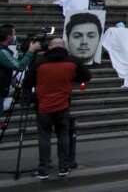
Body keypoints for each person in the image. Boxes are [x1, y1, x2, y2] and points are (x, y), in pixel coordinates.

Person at [23, 37, 91, 180]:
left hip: (43, 105)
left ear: (49, 47)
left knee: (44, 137)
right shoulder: (73, 61)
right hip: (63, 104)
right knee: (63, 135)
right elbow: (86, 76)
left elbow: (27, 82)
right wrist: (70, 78)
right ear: (64, 47)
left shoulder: (39, 62)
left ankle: (43, 169)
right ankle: (64, 166)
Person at [0, 24, 41, 110]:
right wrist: (31, 50)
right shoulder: (2, 52)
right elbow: (20, 66)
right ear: (8, 37)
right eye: (14, 34)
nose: (15, 36)